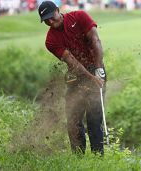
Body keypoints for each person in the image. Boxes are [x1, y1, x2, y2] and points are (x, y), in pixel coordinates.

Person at [38, 1, 106, 155]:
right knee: (73, 118)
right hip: (76, 74)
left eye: (51, 16)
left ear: (57, 10)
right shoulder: (51, 41)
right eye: (46, 20)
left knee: (94, 118)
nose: (50, 21)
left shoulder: (79, 17)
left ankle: (98, 159)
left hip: (96, 66)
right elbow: (72, 62)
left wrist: (98, 68)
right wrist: (90, 77)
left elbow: (95, 40)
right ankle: (78, 158)